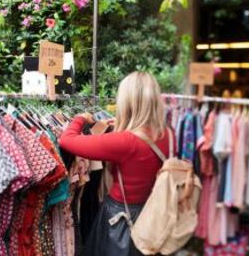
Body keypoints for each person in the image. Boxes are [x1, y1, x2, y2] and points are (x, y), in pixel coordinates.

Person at [59, 71, 175, 256]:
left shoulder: (123, 141)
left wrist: (81, 118)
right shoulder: (168, 133)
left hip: (121, 219)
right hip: (153, 214)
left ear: (126, 102)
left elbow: (67, 140)